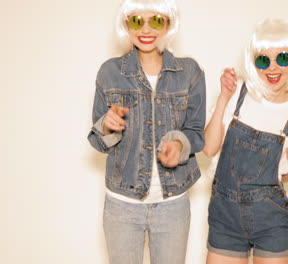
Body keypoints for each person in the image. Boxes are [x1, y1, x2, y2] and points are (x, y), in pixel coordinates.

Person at [87, 0, 206, 263]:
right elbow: (99, 142)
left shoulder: (190, 72)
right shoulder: (109, 72)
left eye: (157, 20)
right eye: (137, 21)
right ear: (126, 24)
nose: (147, 29)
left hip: (172, 204)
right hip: (122, 204)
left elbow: (197, 132)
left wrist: (179, 144)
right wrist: (108, 126)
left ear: (169, 23)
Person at [203, 18, 288, 264]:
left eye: (283, 58)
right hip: (225, 217)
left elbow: (286, 175)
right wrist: (224, 98)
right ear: (253, 61)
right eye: (263, 60)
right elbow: (208, 148)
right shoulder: (237, 94)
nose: (273, 68)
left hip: (272, 221)